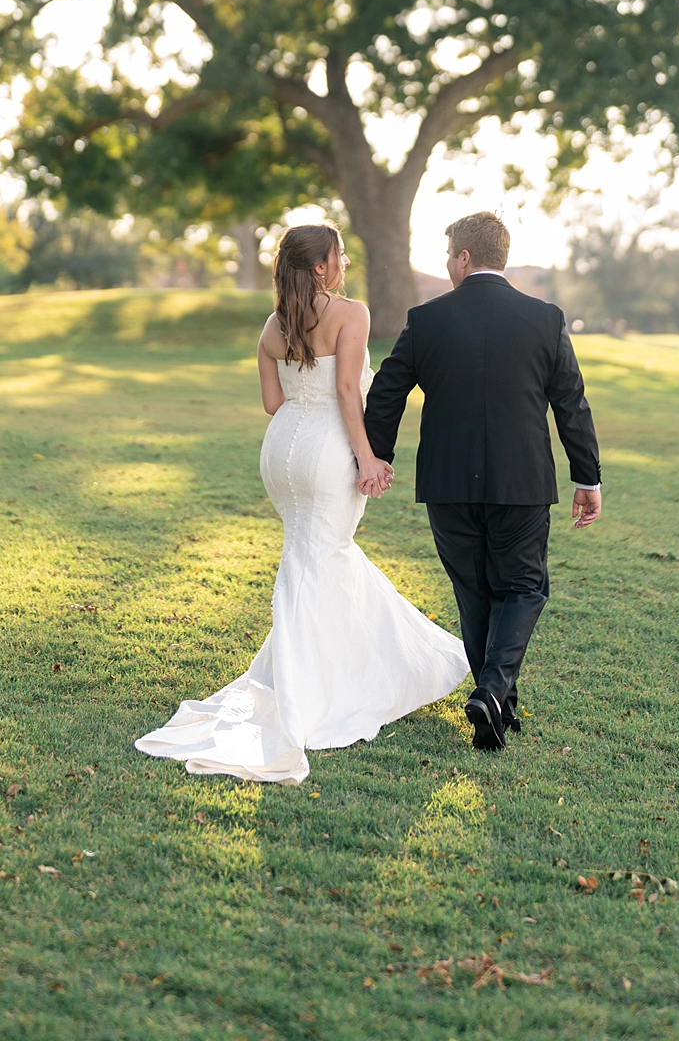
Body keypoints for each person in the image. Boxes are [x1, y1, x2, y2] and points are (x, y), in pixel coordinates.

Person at [135, 222, 470, 784]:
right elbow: (345, 391)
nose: (343, 262)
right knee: (324, 556)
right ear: (320, 266)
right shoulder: (351, 313)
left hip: (281, 452)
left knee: (315, 557)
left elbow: (272, 401)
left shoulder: (274, 325)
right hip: (325, 450)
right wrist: (367, 457)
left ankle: (333, 667)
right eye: (339, 254)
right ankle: (319, 690)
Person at [363, 210, 602, 751]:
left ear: (464, 257)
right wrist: (586, 476)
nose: (447, 266)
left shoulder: (426, 320)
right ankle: (495, 691)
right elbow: (571, 403)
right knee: (522, 587)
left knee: (473, 590)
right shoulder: (544, 319)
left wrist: (376, 456)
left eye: (449, 256)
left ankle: (495, 700)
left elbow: (386, 393)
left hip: (447, 482)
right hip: (522, 482)